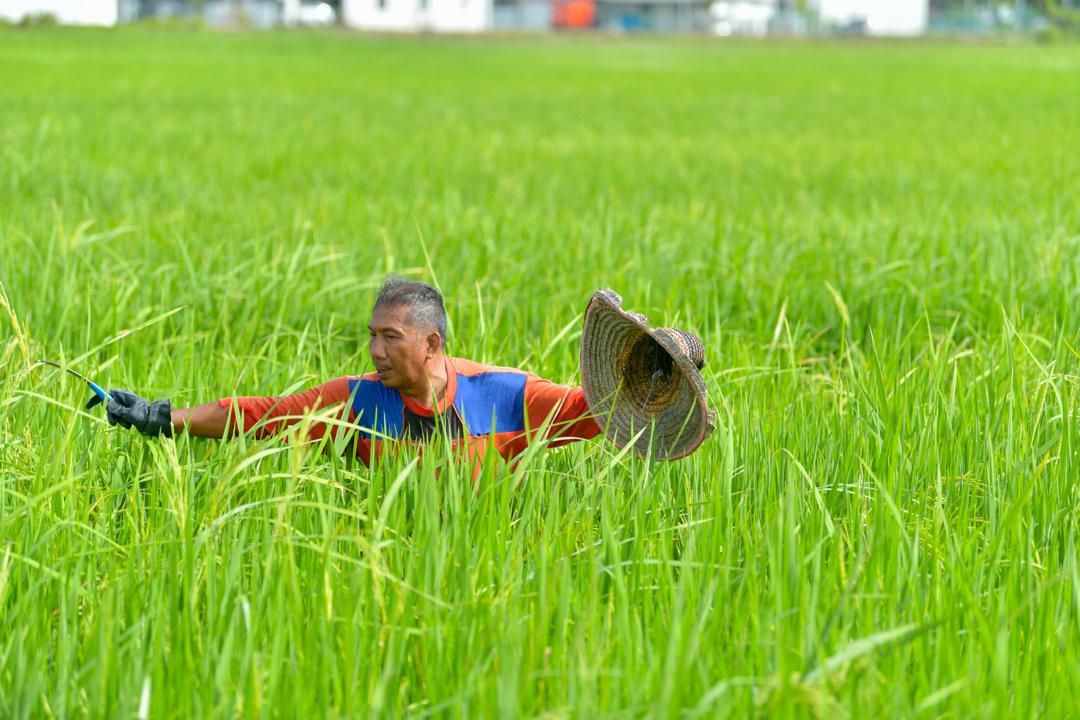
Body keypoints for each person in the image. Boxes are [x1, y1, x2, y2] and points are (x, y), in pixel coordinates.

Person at [91, 275, 602, 468]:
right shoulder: (358, 402)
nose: (376, 351)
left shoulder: (503, 394)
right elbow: (260, 416)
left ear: (431, 344)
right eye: (372, 335)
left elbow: (600, 406)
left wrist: (642, 368)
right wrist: (160, 417)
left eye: (390, 338)